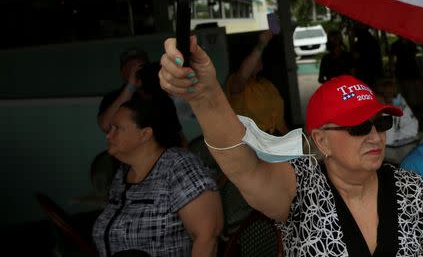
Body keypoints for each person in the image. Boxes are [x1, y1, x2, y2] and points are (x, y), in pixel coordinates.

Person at [159, 37, 423, 256]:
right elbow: (243, 167)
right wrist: (205, 94)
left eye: (381, 123)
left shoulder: (409, 188)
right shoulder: (302, 187)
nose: (375, 136)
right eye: (359, 127)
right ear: (321, 140)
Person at [92, 97, 222, 257]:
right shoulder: (123, 172)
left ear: (145, 134)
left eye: (117, 128)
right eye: (110, 128)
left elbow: (207, 237)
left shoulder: (179, 166)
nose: (108, 136)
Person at [225, 29, 288, 135]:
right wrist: (261, 45)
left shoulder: (266, 84)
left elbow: (280, 120)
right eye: (255, 57)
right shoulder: (235, 83)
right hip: (253, 145)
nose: (259, 59)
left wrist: (289, 139)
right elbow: (243, 75)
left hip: (276, 140)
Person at [97, 48, 149, 133]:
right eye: (130, 67)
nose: (136, 71)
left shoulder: (159, 94)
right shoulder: (113, 97)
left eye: (140, 67)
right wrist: (131, 86)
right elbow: (105, 125)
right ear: (122, 72)